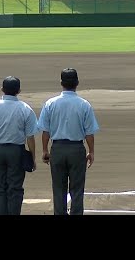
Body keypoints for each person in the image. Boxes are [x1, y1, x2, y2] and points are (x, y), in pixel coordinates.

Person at [38, 68, 99, 215]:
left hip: (57, 149)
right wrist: (91, 151)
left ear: (61, 83)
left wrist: (45, 150)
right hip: (77, 149)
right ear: (77, 83)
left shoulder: (50, 104)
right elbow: (89, 133)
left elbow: (45, 131)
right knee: (77, 187)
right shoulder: (84, 104)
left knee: (58, 188)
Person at [0, 76, 38, 215]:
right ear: (19, 90)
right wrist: (33, 158)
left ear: (2, 89)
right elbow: (30, 137)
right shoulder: (25, 109)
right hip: (16, 151)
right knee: (15, 187)